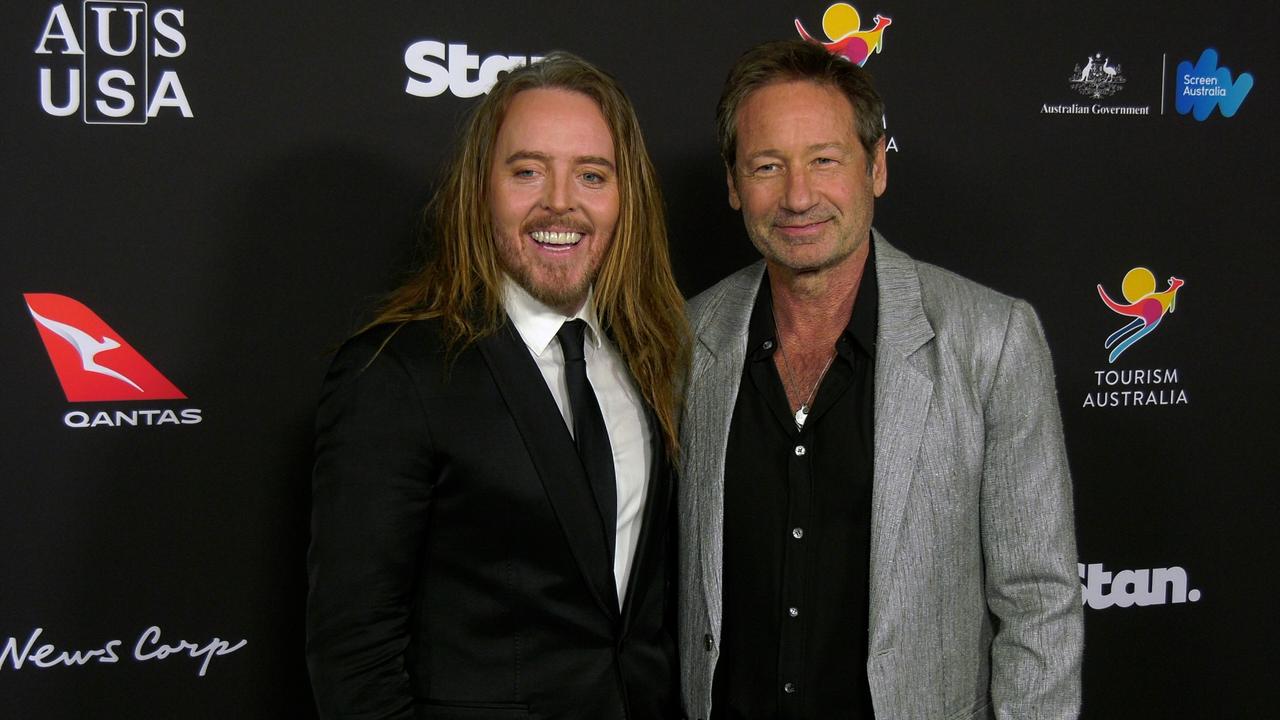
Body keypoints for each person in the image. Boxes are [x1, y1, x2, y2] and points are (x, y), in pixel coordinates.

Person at [678, 40, 1082, 719]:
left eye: (825, 161)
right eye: (767, 166)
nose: (798, 196)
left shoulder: (992, 340)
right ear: (732, 183)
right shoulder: (685, 341)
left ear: (876, 168)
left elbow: (1039, 604)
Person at [306, 52, 687, 720]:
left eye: (591, 175)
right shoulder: (396, 372)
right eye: (528, 170)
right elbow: (354, 655)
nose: (561, 202)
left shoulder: (648, 354)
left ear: (625, 198)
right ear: (480, 188)